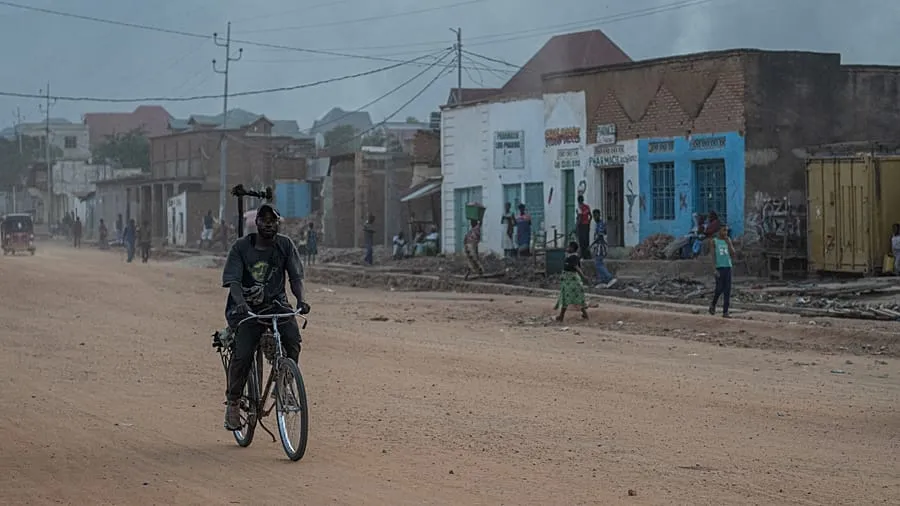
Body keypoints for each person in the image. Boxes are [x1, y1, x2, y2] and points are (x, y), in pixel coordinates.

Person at [221, 204, 309, 430]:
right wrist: (241, 304)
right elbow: (234, 282)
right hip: (247, 309)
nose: (269, 224)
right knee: (243, 354)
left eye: (273, 221)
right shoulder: (241, 247)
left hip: (277, 305)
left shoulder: (285, 245)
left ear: (277, 223)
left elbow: (295, 278)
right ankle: (233, 402)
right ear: (257, 223)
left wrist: (300, 300)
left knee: (293, 341)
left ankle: (284, 384)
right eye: (264, 220)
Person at [555, 241, 589, 321]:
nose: (567, 248)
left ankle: (561, 316)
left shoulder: (573, 257)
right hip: (568, 280)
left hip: (571, 280)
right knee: (575, 298)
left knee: (566, 298)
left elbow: (576, 267)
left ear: (572, 248)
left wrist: (583, 276)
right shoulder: (571, 256)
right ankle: (585, 314)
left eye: (569, 247)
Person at [709, 224, 736, 318]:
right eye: (724, 230)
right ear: (719, 231)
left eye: (727, 231)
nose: (725, 232)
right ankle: (713, 304)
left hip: (727, 266)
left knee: (727, 289)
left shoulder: (728, 240)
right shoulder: (714, 241)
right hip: (719, 267)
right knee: (719, 288)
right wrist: (714, 269)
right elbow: (712, 256)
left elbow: (733, 254)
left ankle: (725, 311)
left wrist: (729, 243)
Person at [590, 209, 618, 288]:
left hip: (601, 246)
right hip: (599, 246)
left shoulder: (601, 224)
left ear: (599, 215)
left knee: (598, 263)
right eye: (594, 216)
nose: (595, 217)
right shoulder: (598, 224)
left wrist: (591, 245)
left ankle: (609, 278)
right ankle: (602, 280)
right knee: (598, 263)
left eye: (596, 215)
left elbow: (600, 237)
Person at [576, 195, 592, 259]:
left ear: (578, 201)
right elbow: (590, 216)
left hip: (581, 226)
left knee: (582, 241)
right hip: (587, 225)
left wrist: (576, 226)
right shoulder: (587, 207)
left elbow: (579, 218)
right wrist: (589, 222)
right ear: (583, 200)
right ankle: (588, 255)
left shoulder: (579, 208)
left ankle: (583, 255)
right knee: (587, 241)